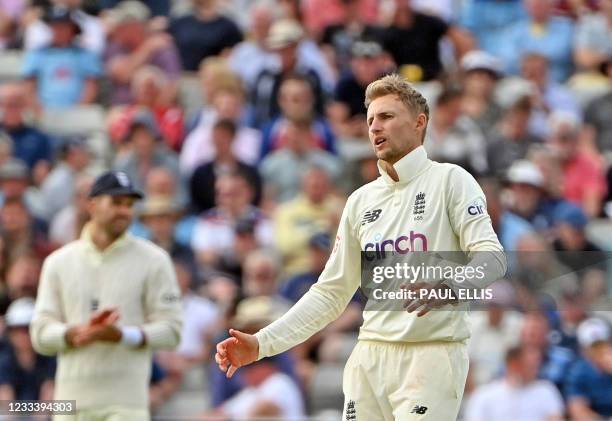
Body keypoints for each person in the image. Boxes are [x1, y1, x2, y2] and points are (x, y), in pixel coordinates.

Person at [215, 74, 506, 420]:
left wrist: (449, 287)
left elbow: (493, 258)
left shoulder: (451, 181)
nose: (374, 127)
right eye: (370, 120)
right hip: (369, 358)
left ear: (419, 122)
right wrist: (263, 343)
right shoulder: (360, 201)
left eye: (386, 116)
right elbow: (330, 293)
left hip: (431, 355)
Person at [30, 170, 182, 421]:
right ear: (92, 204)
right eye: (116, 202)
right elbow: (40, 334)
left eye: (129, 204)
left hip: (126, 405)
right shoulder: (58, 262)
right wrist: (73, 334)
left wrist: (123, 335)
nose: (124, 211)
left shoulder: (154, 260)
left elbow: (172, 331)